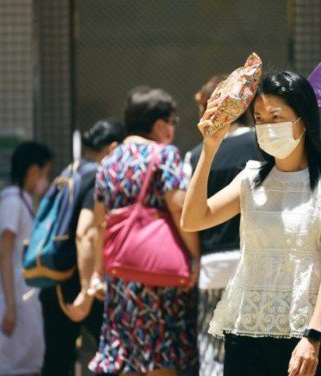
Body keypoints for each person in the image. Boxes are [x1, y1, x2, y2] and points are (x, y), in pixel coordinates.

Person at [181, 71, 321, 376]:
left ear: (303, 118)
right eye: (259, 118)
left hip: (304, 333)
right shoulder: (250, 178)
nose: (266, 126)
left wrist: (313, 336)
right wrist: (208, 150)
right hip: (245, 326)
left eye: (276, 116)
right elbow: (193, 219)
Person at [89, 87, 200, 376]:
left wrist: (98, 273)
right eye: (173, 122)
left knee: (127, 355)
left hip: (121, 275)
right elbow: (179, 209)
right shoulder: (164, 155)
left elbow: (100, 223)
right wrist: (195, 256)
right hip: (158, 275)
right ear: (160, 124)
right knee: (159, 356)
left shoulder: (108, 163)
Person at [183, 74, 262, 376]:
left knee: (212, 350)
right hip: (251, 261)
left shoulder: (193, 156)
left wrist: (195, 256)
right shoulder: (260, 144)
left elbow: (186, 212)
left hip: (212, 264)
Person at [39, 119, 124, 376]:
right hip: (80, 284)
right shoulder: (97, 176)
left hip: (54, 279)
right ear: (112, 148)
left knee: (56, 361)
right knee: (114, 357)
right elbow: (85, 233)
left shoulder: (68, 172)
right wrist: (88, 290)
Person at [0, 141, 52, 376]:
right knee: (13, 366)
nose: (45, 180)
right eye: (45, 173)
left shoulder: (24, 202)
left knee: (27, 364)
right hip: (15, 297)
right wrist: (10, 304)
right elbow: (4, 253)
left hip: (24, 297)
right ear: (33, 170)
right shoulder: (12, 203)